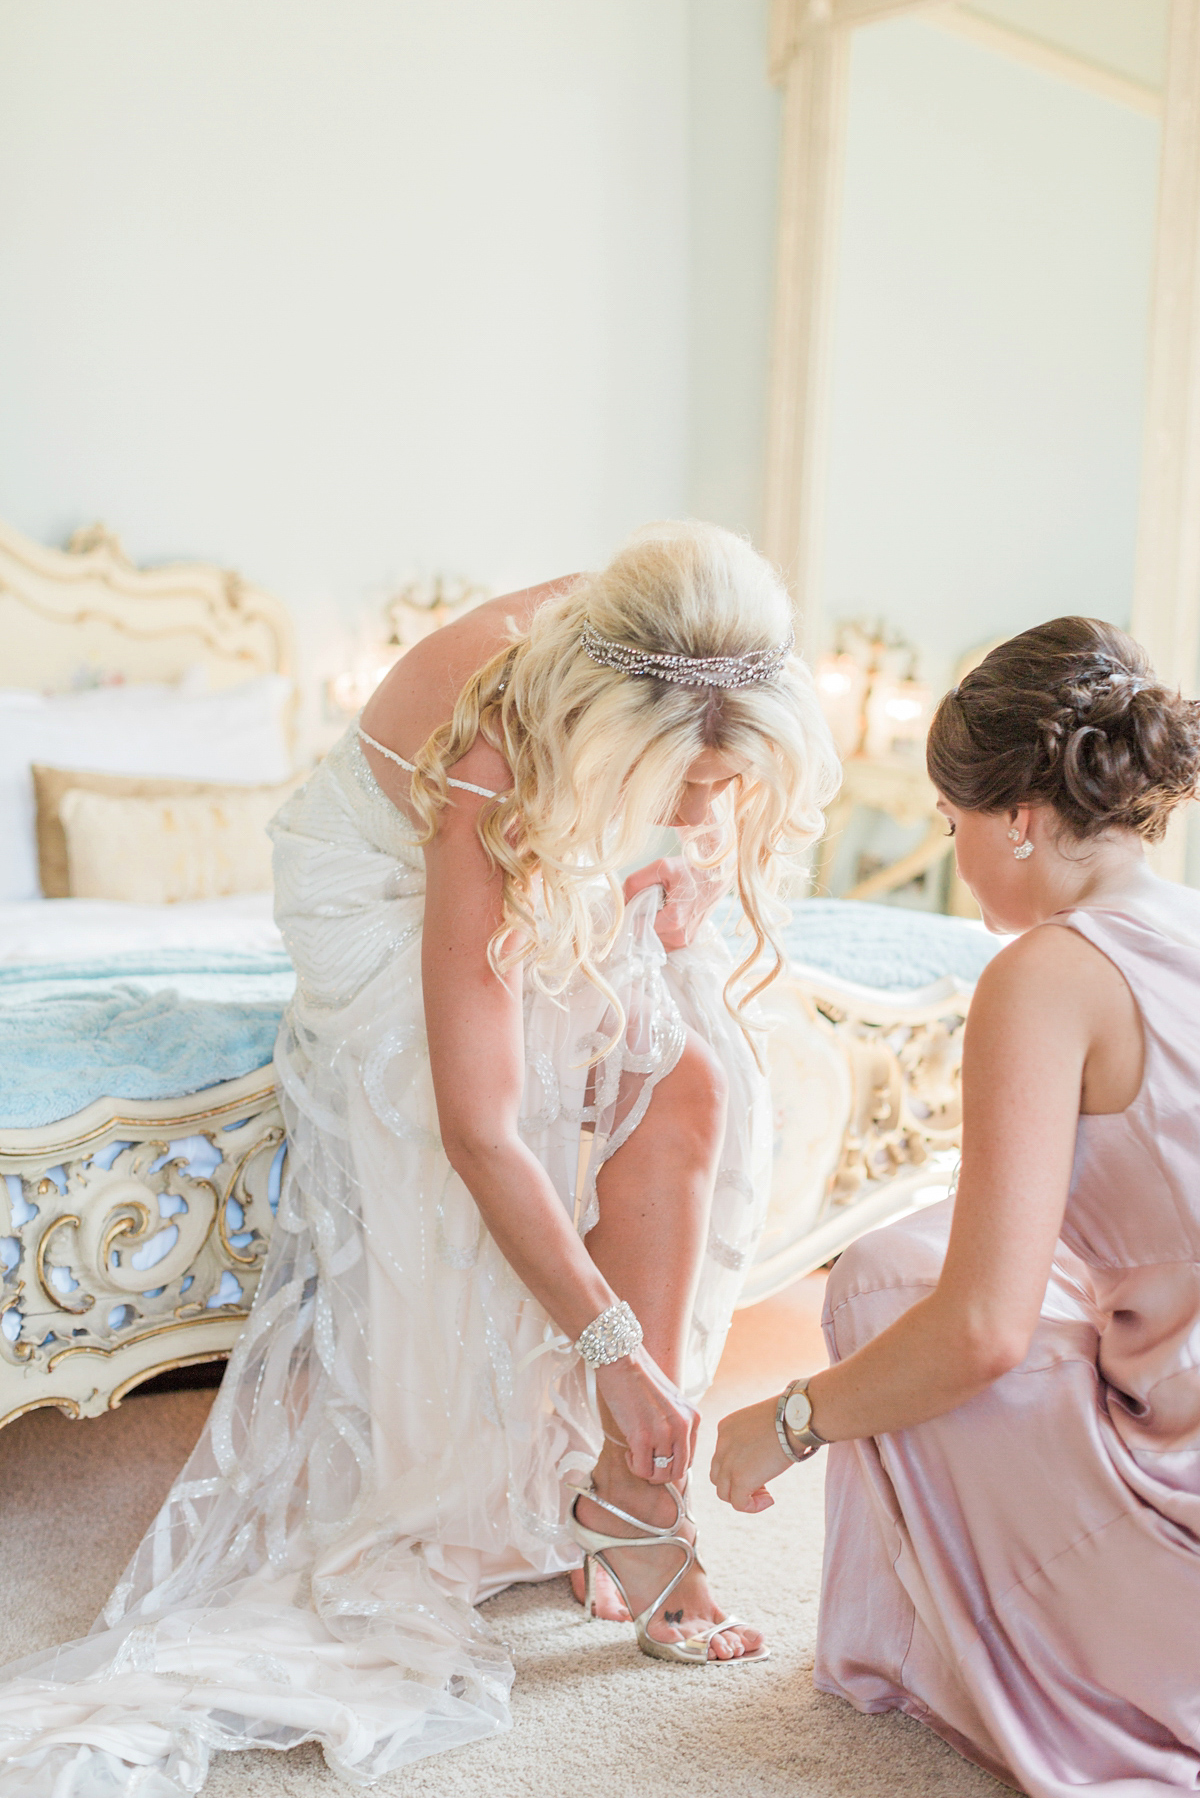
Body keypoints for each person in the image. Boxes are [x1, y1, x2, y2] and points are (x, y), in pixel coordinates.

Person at [0, 521, 840, 1797]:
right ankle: (624, 1443)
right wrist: (609, 1352)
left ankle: (630, 1495)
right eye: (681, 784)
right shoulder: (497, 747)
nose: (698, 808)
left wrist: (683, 864)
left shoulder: (696, 642)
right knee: (554, 1075)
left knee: (692, 1076)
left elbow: (696, 809)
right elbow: (479, 1127)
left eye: (719, 786)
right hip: (382, 885)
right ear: (611, 733)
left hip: (555, 810)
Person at [712, 617, 1200, 1797]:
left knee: (894, 1294)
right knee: (900, 1255)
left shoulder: (1045, 975)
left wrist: (785, 1420)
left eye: (950, 820)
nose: (951, 848)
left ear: (1020, 821)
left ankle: (964, 1656)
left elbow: (982, 1330)